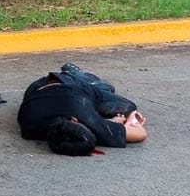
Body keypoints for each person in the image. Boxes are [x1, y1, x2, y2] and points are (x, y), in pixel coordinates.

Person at [17, 63, 147, 156]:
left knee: (112, 94)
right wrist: (116, 122)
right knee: (107, 94)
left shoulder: (88, 119)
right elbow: (140, 133)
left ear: (74, 120)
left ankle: (72, 72)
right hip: (34, 89)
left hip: (71, 83)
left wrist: (130, 120)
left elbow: (139, 132)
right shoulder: (30, 129)